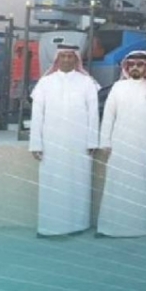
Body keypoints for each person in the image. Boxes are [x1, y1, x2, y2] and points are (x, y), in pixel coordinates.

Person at [29, 43, 99, 237]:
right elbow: (37, 115)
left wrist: (92, 141)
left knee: (78, 182)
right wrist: (36, 143)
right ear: (57, 59)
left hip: (79, 143)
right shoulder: (45, 83)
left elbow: (93, 114)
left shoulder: (87, 83)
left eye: (70, 56)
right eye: (63, 56)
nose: (67, 60)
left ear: (76, 59)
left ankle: (77, 225)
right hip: (52, 143)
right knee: (52, 182)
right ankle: (49, 226)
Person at [96, 50, 146, 237]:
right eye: (132, 64)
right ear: (126, 67)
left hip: (145, 146)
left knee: (142, 184)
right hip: (120, 144)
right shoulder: (118, 88)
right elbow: (108, 116)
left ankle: (139, 227)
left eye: (140, 64)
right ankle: (110, 227)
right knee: (116, 183)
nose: (135, 68)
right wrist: (105, 142)